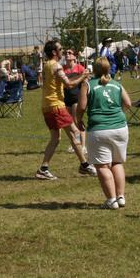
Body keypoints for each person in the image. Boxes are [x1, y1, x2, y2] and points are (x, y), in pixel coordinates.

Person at [35, 39, 95, 180]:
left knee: (55, 138)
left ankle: (43, 169)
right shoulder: (56, 66)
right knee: (75, 132)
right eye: (61, 49)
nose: (62, 51)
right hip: (56, 105)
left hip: (47, 106)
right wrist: (83, 76)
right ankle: (84, 165)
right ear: (54, 52)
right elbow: (69, 85)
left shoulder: (47, 65)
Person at [77, 57, 132, 209]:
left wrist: (78, 120)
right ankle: (121, 197)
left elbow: (81, 107)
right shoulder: (116, 84)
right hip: (120, 128)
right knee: (117, 162)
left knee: (102, 166)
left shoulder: (88, 84)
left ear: (93, 70)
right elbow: (128, 103)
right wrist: (117, 113)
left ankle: (111, 200)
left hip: (99, 129)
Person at [62, 48, 87, 153]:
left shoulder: (79, 68)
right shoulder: (63, 69)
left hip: (77, 97)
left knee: (77, 120)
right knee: (69, 122)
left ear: (74, 56)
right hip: (66, 98)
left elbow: (85, 81)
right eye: (65, 53)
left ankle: (83, 146)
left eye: (69, 53)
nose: (67, 54)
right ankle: (74, 144)